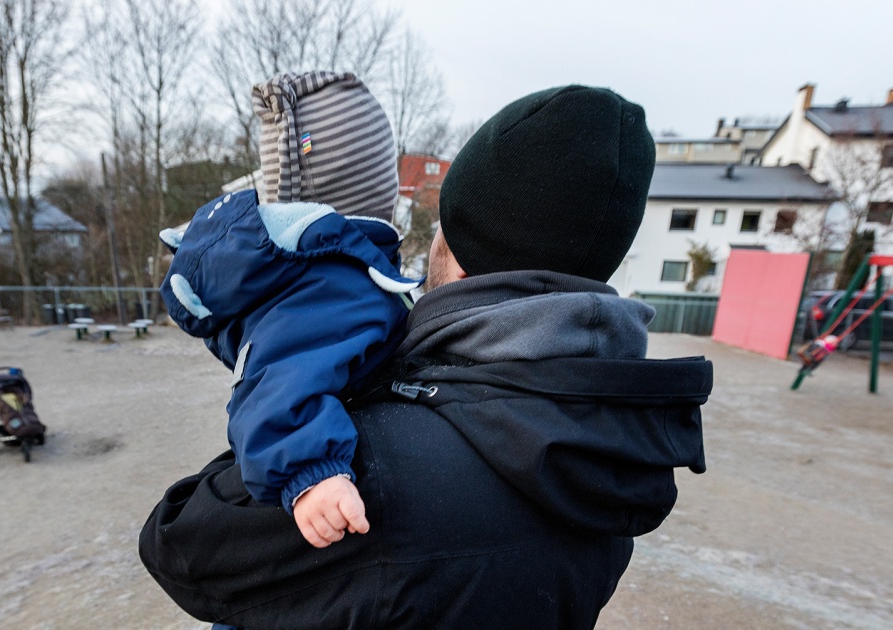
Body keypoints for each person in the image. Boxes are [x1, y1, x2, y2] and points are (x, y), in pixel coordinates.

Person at [140, 84, 712, 629]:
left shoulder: (375, 465)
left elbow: (178, 543)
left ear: (460, 256)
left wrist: (295, 347)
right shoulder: (624, 450)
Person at [158, 71, 420, 548]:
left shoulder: (329, 273)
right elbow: (278, 382)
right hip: (321, 494)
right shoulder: (338, 282)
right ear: (374, 187)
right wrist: (313, 474)